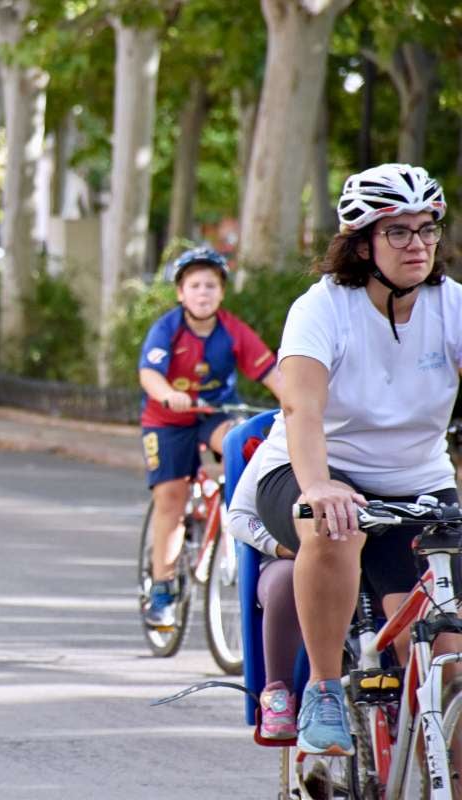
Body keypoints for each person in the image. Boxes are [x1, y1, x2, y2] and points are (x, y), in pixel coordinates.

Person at [250, 163, 459, 756]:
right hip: (309, 470)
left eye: (427, 229)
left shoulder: (453, 307)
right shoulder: (324, 309)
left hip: (416, 483)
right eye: (398, 231)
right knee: (335, 527)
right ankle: (321, 689)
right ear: (363, 243)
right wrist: (318, 488)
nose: (417, 244)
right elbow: (302, 412)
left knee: (444, 662)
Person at [138, 246, 282, 628]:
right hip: (168, 419)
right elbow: (148, 374)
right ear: (181, 293)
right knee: (171, 496)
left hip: (215, 414)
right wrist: (167, 393)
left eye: (211, 285)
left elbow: (272, 374)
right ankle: (163, 588)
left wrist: (300, 406)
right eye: (194, 285)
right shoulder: (168, 329)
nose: (203, 292)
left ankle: (237, 513)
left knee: (240, 445)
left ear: (221, 292)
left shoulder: (233, 331)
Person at [227, 447, 300, 740]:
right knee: (288, 580)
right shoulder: (279, 443)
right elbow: (239, 517)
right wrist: (281, 548)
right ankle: (278, 691)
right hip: (285, 561)